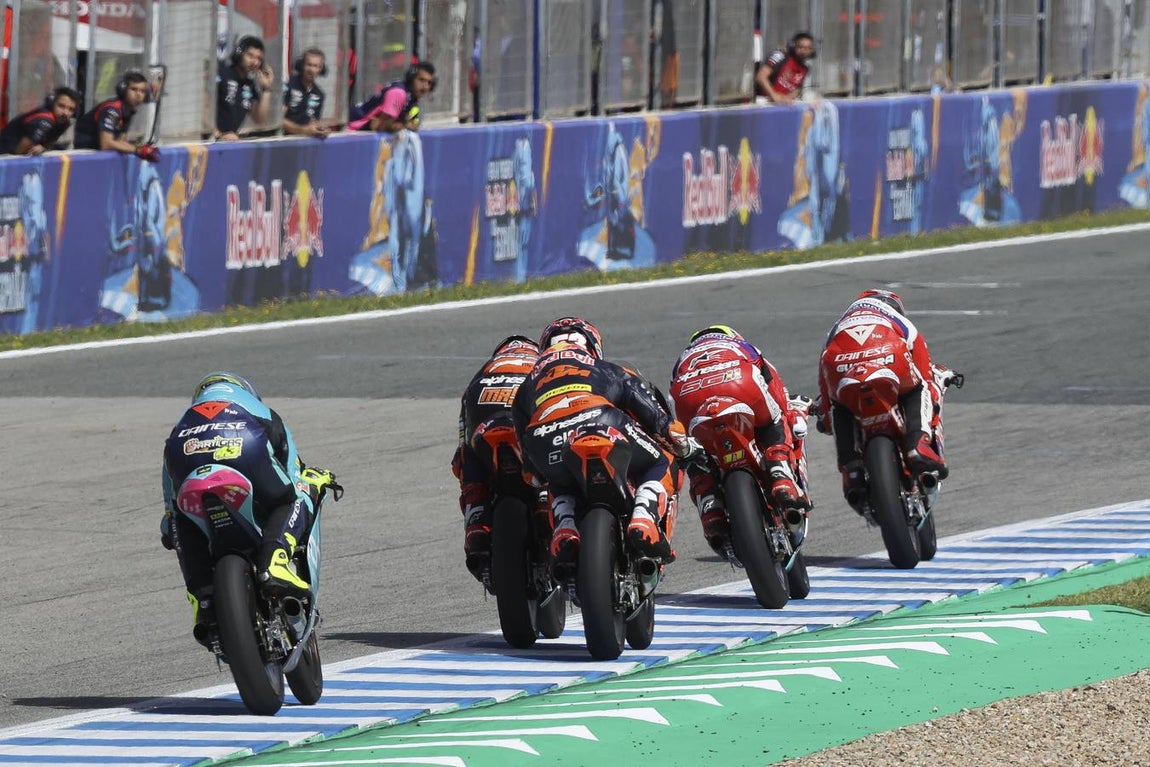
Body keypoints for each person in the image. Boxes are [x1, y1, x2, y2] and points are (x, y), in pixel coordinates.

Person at [160, 372, 339, 643]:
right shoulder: (259, 410)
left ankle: (203, 599)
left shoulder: (183, 422)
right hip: (247, 445)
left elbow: (169, 506)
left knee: (179, 520)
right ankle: (276, 560)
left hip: (185, 453)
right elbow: (295, 473)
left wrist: (170, 529)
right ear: (246, 391)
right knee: (293, 497)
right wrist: (315, 479)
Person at [512, 317, 694, 567]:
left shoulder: (528, 384)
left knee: (558, 481)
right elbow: (646, 406)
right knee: (662, 461)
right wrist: (671, 432)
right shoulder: (606, 368)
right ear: (592, 345)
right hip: (601, 418)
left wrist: (532, 469)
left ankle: (565, 527)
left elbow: (523, 437)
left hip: (544, 434)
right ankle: (644, 517)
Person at [668, 325, 811, 555]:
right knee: (775, 419)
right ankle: (780, 473)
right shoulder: (743, 347)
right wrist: (791, 414)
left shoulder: (683, 360)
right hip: (739, 383)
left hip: (688, 396)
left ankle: (711, 507)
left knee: (693, 453)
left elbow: (673, 401)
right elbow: (774, 388)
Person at [817, 289, 948, 511]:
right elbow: (926, 375)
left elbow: (825, 378)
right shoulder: (898, 320)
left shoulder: (837, 326)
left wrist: (826, 416)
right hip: (888, 355)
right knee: (921, 388)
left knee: (839, 404)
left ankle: (851, 467)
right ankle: (918, 444)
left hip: (839, 363)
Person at [451, 335, 546, 581]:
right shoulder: (541, 362)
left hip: (485, 422)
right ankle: (546, 501)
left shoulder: (483, 372)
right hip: (522, 424)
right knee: (552, 453)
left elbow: (464, 436)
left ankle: (477, 518)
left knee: (466, 457)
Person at [72, 70, 158, 161]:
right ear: (123, 90)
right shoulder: (112, 109)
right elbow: (106, 144)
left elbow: (120, 141)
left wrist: (140, 147)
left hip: (94, 155)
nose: (138, 94)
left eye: (142, 91)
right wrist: (138, 150)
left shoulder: (128, 111)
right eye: (134, 89)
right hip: (83, 155)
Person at [347, 61, 436, 133]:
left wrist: (404, 124)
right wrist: (405, 125)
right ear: (411, 78)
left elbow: (412, 124)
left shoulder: (412, 97)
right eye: (421, 80)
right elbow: (381, 126)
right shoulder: (398, 93)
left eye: (429, 83)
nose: (425, 87)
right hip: (353, 128)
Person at [216, 35, 274, 141]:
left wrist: (266, 89)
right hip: (212, 139)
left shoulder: (250, 85)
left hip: (231, 139)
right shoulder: (222, 73)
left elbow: (259, 119)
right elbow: (205, 102)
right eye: (250, 56)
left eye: (259, 59)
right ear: (239, 54)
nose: (254, 62)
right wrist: (214, 131)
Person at [0, 86, 80, 156]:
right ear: (52, 103)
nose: (66, 113)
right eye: (61, 106)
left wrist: (43, 148)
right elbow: (18, 153)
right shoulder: (45, 120)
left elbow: (48, 142)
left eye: (71, 109)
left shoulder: (65, 122)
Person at [755, 31, 815, 105]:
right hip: (763, 103)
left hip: (783, 105)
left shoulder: (805, 69)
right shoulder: (780, 56)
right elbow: (761, 77)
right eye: (800, 47)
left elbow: (797, 89)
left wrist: (787, 97)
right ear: (793, 46)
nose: (804, 51)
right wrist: (774, 96)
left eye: (808, 48)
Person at [283, 47, 329, 138]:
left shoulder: (319, 94)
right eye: (309, 65)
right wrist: (302, 130)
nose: (312, 70)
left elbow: (314, 121)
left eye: (316, 66)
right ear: (301, 65)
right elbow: (278, 121)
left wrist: (320, 129)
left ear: (321, 69)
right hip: (285, 140)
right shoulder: (289, 85)